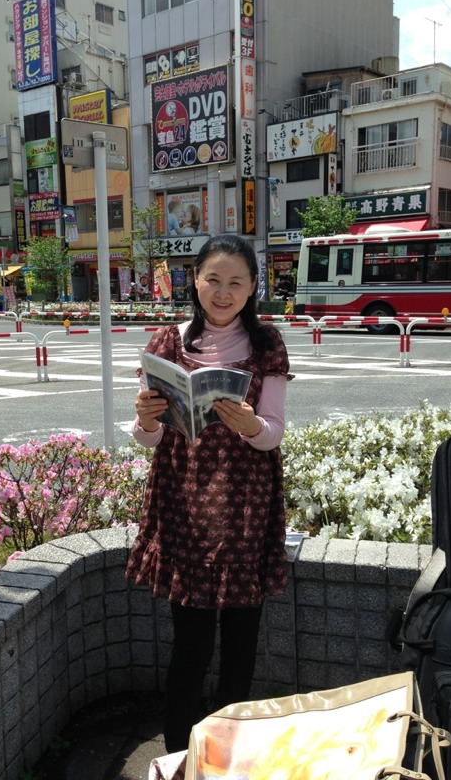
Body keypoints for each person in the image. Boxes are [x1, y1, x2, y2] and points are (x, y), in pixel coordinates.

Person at [127, 234, 293, 753]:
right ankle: (180, 752)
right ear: (195, 280)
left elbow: (274, 432)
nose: (223, 293)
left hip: (245, 502)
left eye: (236, 283)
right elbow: (150, 439)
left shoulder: (267, 345)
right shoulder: (166, 342)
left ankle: (228, 752)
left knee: (242, 641)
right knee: (191, 643)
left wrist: (250, 425)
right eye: (213, 279)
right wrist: (145, 420)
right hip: (184, 500)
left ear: (252, 288)